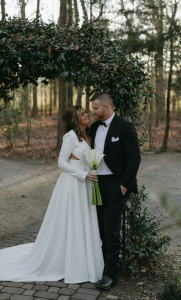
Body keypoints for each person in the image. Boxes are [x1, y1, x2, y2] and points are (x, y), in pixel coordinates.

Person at [0, 106, 104, 284]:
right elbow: (61, 163)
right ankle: (70, 261)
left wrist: (91, 173)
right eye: (82, 114)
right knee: (72, 221)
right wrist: (83, 175)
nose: (87, 114)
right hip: (74, 184)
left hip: (87, 184)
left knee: (84, 221)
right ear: (75, 118)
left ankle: (86, 257)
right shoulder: (70, 137)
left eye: (86, 112)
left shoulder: (88, 134)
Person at [89, 92, 141, 290]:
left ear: (107, 108)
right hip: (96, 184)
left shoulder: (125, 127)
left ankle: (111, 275)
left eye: (95, 108)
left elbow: (134, 158)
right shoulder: (94, 128)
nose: (93, 111)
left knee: (111, 230)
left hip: (116, 185)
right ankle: (101, 267)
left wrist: (124, 184)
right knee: (100, 229)